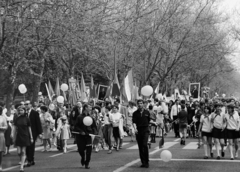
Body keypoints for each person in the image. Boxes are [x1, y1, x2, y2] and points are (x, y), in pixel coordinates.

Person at [132, 99, 156, 168]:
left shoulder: (147, 112)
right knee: (140, 147)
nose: (140, 104)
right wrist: (135, 128)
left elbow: (149, 120)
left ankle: (147, 161)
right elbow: (133, 122)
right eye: (139, 103)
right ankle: (143, 162)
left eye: (141, 103)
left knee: (144, 145)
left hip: (145, 130)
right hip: (138, 130)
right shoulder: (135, 113)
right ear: (137, 104)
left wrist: (154, 122)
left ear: (143, 104)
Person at [75, 104, 97, 169]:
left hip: (88, 136)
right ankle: (82, 157)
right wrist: (81, 131)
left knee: (89, 150)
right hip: (81, 136)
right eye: (89, 107)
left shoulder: (91, 117)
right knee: (81, 150)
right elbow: (76, 126)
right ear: (85, 108)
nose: (91, 108)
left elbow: (94, 126)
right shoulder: (79, 117)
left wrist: (94, 133)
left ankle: (87, 163)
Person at [12, 106, 34, 172]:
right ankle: (23, 159)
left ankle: (21, 167)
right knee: (19, 152)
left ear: (24, 111)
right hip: (19, 136)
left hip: (25, 136)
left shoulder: (27, 119)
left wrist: (31, 137)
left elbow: (29, 128)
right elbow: (14, 128)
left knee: (23, 151)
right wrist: (12, 135)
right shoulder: (17, 119)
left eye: (22, 110)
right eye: (20, 110)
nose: (20, 111)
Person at [25, 101, 42, 167]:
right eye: (25, 104)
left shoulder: (35, 113)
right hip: (25, 132)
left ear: (30, 105)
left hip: (33, 132)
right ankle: (30, 159)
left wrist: (40, 132)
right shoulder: (24, 113)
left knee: (31, 146)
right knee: (27, 146)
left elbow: (38, 123)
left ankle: (30, 160)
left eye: (27, 104)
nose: (26, 105)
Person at [0, 106, 8, 171]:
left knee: (0, 151)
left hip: (0, 135)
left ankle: (0, 165)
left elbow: (6, 127)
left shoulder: (3, 118)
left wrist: (1, 128)